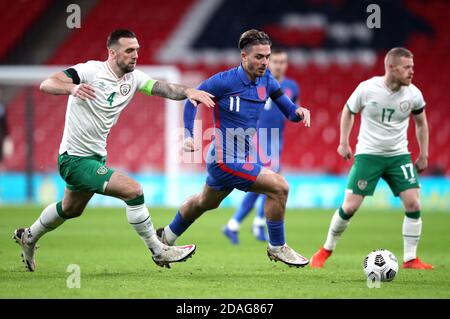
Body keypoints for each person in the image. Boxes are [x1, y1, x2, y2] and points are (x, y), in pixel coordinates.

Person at [13, 29, 216, 272]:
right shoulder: (90, 71)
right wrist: (72, 88)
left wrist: (188, 91)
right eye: (129, 50)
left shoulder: (134, 79)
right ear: (112, 52)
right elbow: (48, 83)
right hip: (74, 159)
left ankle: (29, 236)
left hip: (96, 156)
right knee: (133, 191)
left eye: (137, 50)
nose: (135, 55)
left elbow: (163, 88)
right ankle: (158, 249)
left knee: (71, 209)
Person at [157, 29, 311, 267]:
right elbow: (192, 98)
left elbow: (289, 111)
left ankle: (164, 238)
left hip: (239, 157)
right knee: (279, 187)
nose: (265, 62)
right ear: (244, 56)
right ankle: (278, 247)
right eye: (259, 57)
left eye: (267, 56)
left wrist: (299, 113)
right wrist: (189, 135)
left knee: (204, 203)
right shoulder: (224, 81)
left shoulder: (268, 81)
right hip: (223, 159)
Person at [310, 47, 433, 270]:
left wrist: (424, 154)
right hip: (368, 155)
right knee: (350, 207)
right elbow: (348, 111)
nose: (411, 72)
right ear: (392, 68)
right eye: (407, 67)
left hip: (399, 156)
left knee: (413, 202)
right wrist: (344, 142)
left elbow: (422, 123)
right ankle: (325, 250)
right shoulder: (367, 89)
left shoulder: (413, 94)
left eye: (412, 67)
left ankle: (410, 259)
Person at [222, 48, 300, 244]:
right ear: (269, 62)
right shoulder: (259, 82)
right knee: (266, 182)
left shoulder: (292, 87)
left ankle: (252, 223)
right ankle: (237, 223)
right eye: (276, 61)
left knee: (268, 184)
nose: (279, 65)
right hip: (259, 138)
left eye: (283, 62)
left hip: (277, 139)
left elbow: (290, 111)